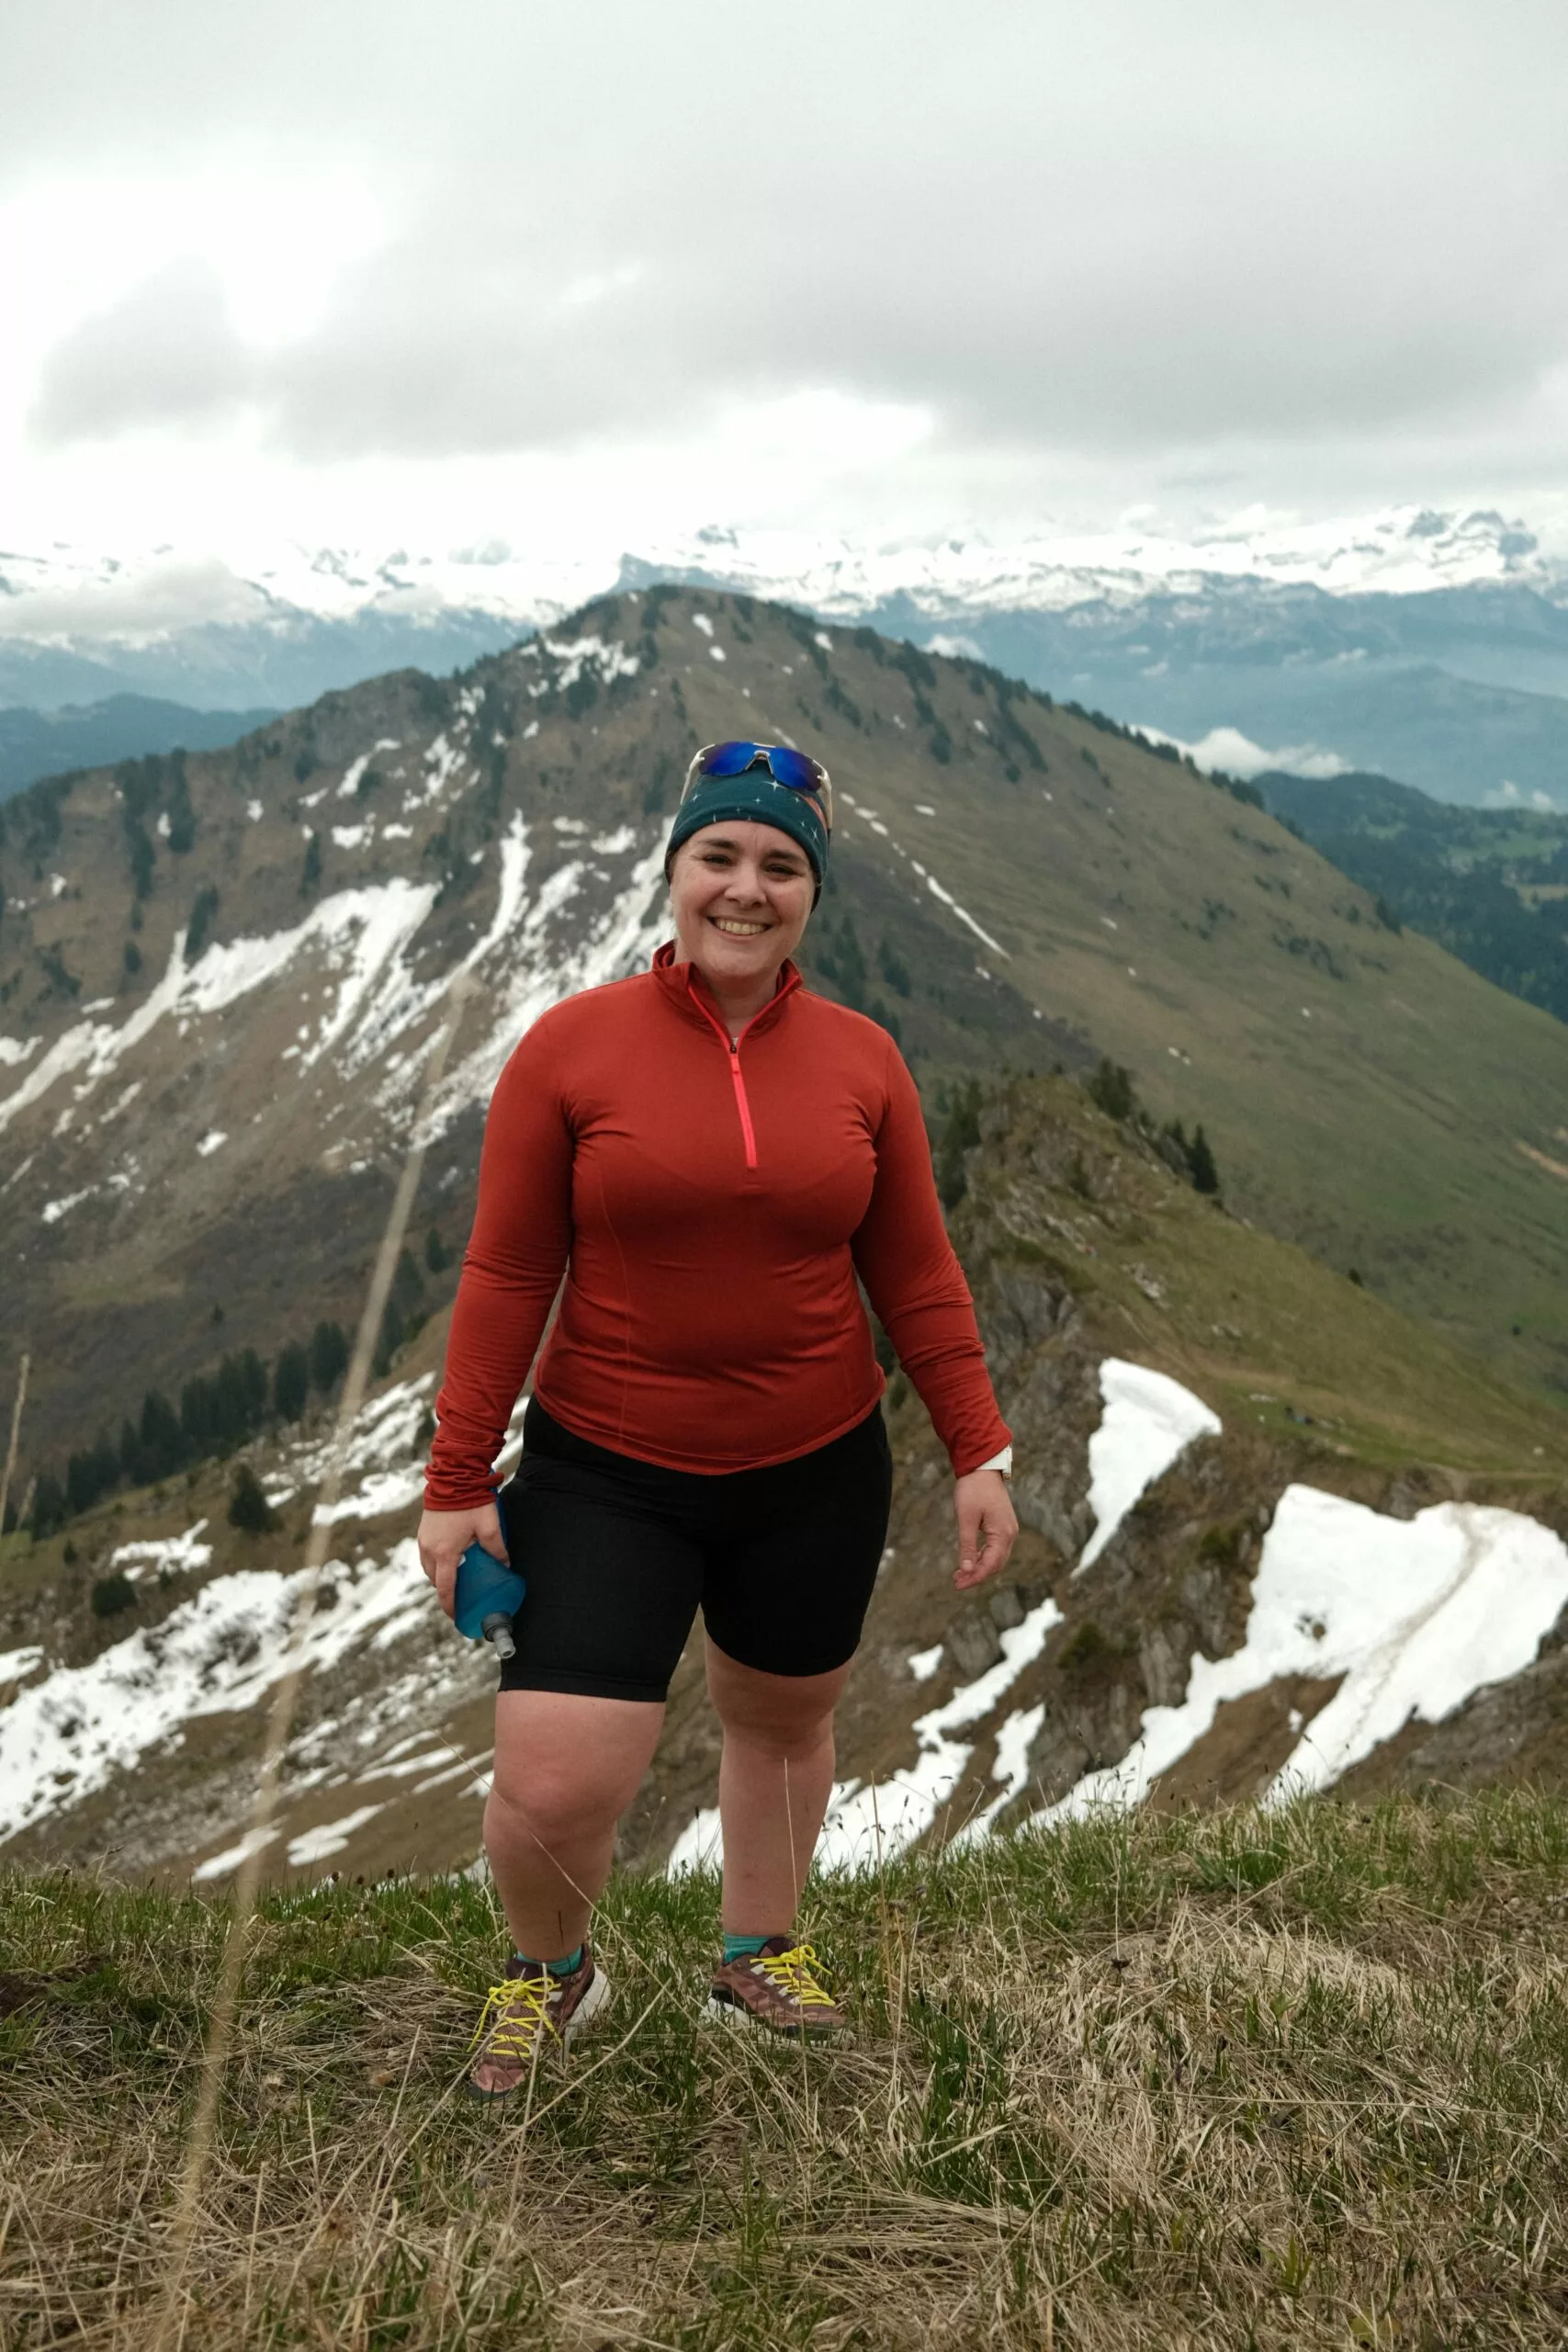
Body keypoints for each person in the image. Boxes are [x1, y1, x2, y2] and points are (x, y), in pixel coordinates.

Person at [418, 740, 1017, 2097]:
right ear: (676, 869)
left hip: (815, 1468)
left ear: (812, 892)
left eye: (780, 866)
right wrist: (458, 1476)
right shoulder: (572, 1050)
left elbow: (914, 1271)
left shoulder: (863, 1061)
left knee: (781, 1721)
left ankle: (760, 1949)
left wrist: (973, 1446)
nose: (746, 889)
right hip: (605, 1475)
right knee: (554, 1786)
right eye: (720, 857)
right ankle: (552, 1973)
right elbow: (509, 1271)